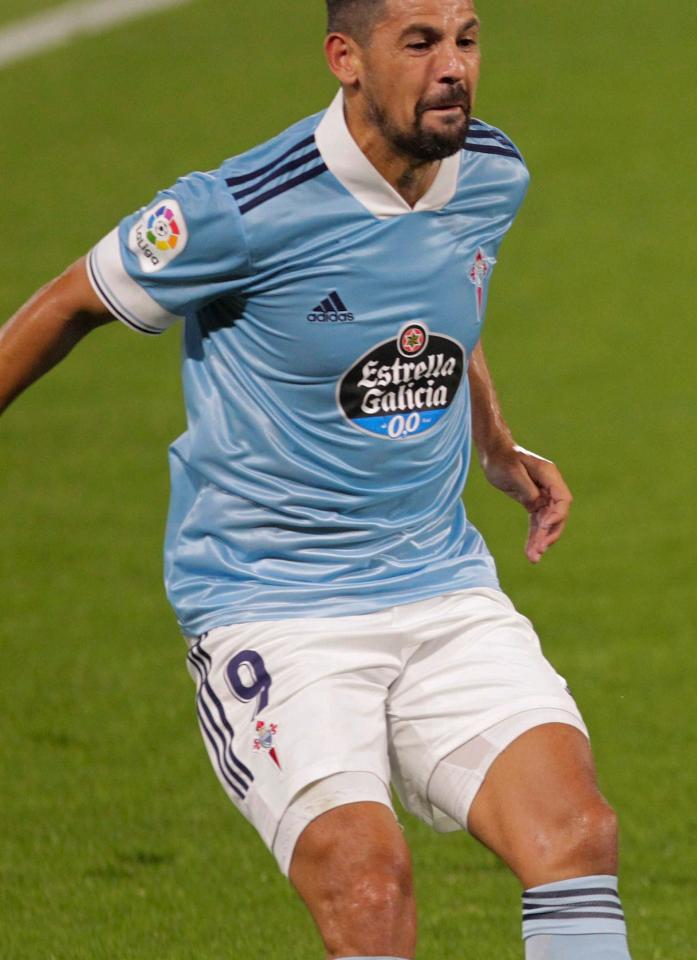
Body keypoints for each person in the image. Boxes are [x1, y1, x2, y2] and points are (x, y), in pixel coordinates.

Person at [0, 2, 630, 958]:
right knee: (369, 887)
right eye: (420, 44)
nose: (454, 67)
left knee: (576, 834)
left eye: (466, 38)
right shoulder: (240, 207)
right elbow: (69, 302)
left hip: (439, 585)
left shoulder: (492, 173)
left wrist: (496, 444)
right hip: (271, 603)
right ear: (346, 57)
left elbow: (445, 298)